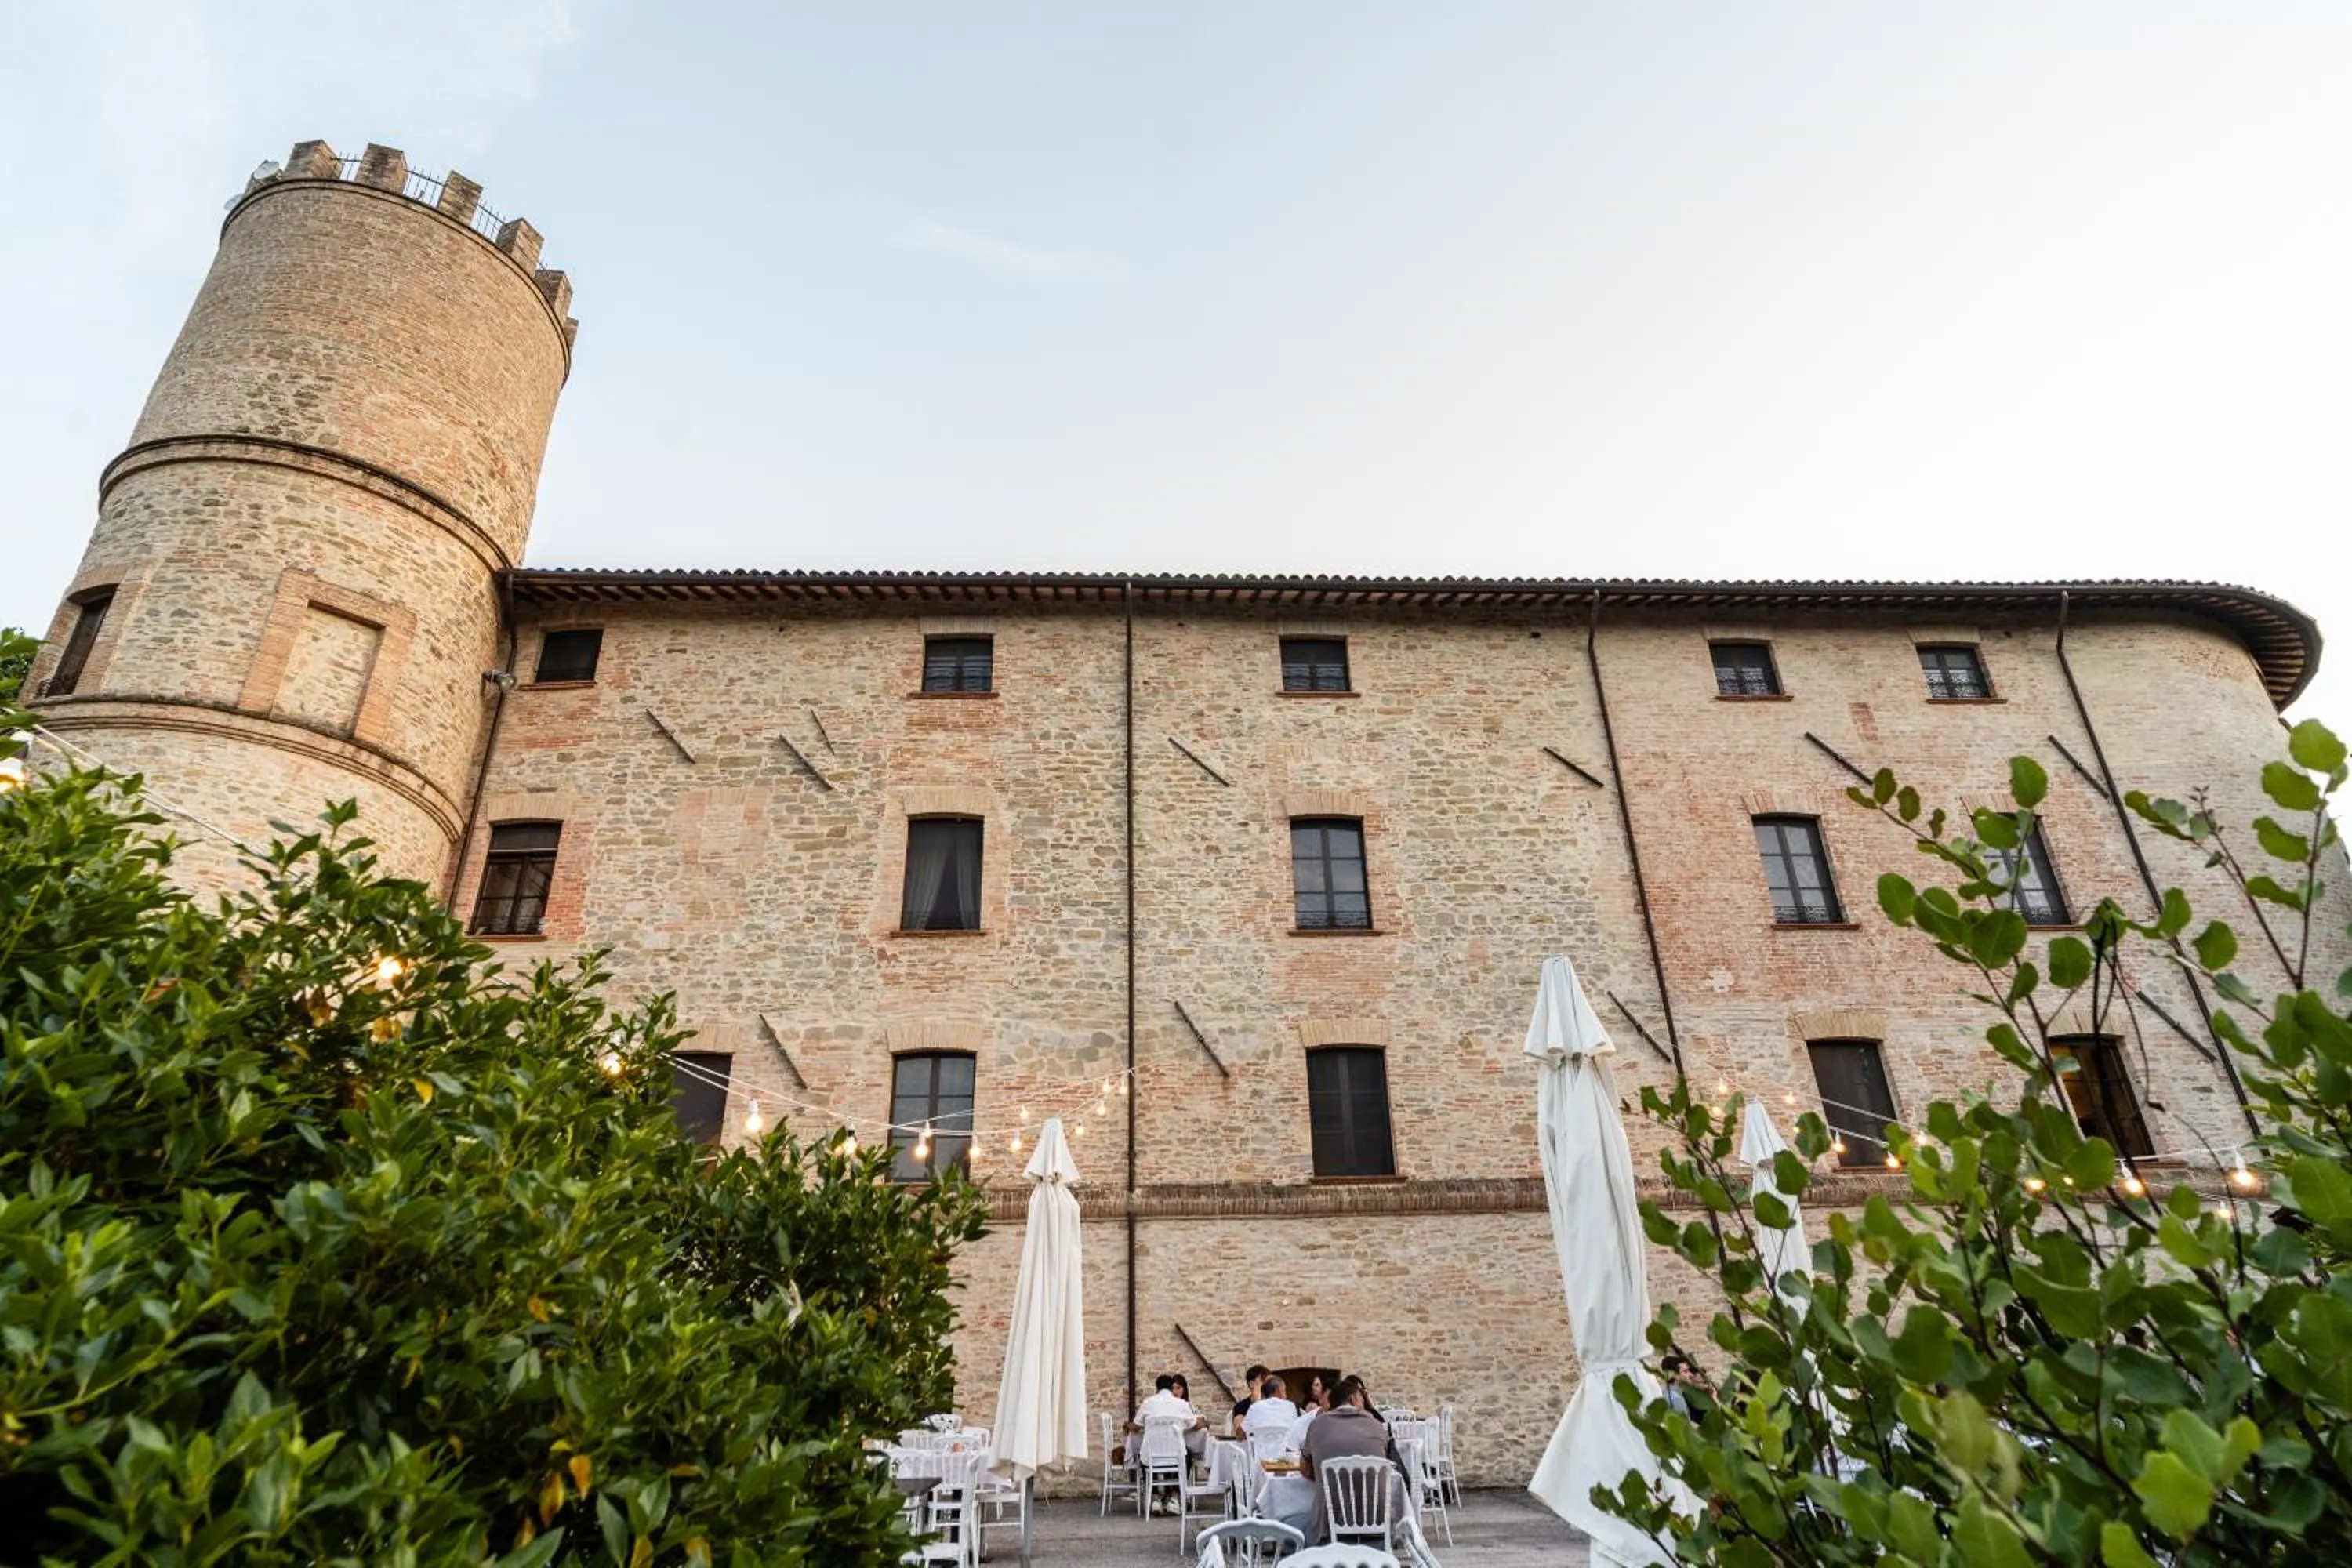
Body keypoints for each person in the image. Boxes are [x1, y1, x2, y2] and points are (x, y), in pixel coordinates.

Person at [1294, 1374, 1402, 1544]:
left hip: (1329, 1528)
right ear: (1353, 1399)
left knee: (1292, 1524)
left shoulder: (1317, 1426)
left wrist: (1326, 1474)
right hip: (1377, 1524)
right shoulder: (1376, 1426)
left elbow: (1305, 1469)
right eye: (1361, 1399)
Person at [1131, 1374, 1207, 1512]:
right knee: (1184, 1454)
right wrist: (1204, 1422)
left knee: (1147, 1452)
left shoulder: (1148, 1403)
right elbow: (1195, 1425)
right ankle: (1175, 1498)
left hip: (1152, 1458)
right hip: (1176, 1457)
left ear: (1157, 1388)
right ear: (1171, 1388)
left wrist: (1127, 1425)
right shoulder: (1181, 1404)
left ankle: (1155, 1498)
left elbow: (1136, 1427)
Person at [1240, 1372, 1300, 1457]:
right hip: (1285, 1462)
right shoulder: (1291, 1406)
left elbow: (1240, 1436)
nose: (1286, 1396)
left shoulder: (1255, 1407)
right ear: (1278, 1391)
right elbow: (1295, 1435)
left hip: (1260, 1462)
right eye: (1284, 1391)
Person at [1661, 1354, 1715, 1421]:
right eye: (1685, 1371)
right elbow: (1684, 1424)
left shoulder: (1667, 1393)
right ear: (1675, 1375)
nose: (1691, 1374)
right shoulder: (1676, 1399)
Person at [1229, 1363, 1269, 1436]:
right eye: (1263, 1381)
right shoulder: (1241, 1407)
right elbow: (1240, 1435)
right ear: (1252, 1384)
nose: (1267, 1385)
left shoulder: (1273, 1404)